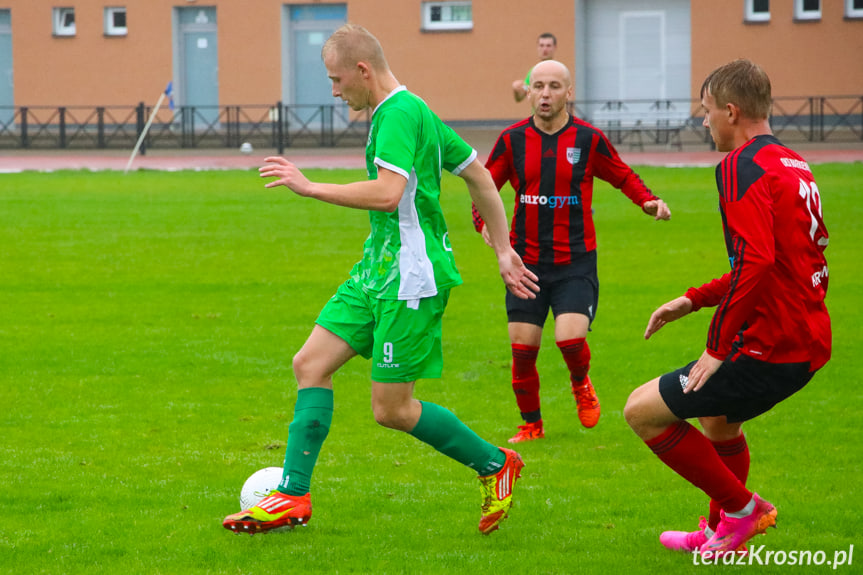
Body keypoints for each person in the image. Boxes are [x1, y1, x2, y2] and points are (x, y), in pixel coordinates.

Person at [222, 23, 539, 537]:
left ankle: (495, 464)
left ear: (362, 71)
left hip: (410, 280)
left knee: (391, 409)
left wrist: (310, 188)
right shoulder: (416, 109)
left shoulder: (398, 114)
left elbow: (389, 193)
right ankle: (293, 496)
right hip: (376, 270)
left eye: (336, 78)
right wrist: (502, 249)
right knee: (310, 363)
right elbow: (478, 175)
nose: (333, 90)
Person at [623, 59, 831, 558]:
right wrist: (693, 300)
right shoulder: (790, 161)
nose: (704, 121)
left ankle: (742, 512)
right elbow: (770, 260)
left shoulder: (740, 166)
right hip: (806, 338)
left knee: (642, 412)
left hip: (770, 343)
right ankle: (721, 528)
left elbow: (757, 261)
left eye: (707, 111)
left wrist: (716, 348)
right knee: (717, 422)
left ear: (731, 112)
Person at [473, 60, 671, 444]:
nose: (545, 94)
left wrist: (647, 201)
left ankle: (581, 382)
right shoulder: (512, 140)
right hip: (525, 261)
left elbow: (621, 174)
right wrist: (482, 222)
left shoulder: (588, 140)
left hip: (574, 260)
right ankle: (531, 425)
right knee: (522, 346)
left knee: (569, 338)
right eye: (539, 86)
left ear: (569, 93)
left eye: (554, 86)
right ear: (528, 91)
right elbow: (484, 187)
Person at [511, 33, 557, 103]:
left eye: (548, 46)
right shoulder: (533, 71)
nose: (545, 49)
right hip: (537, 113)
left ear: (554, 47)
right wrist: (517, 89)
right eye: (541, 45)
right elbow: (520, 97)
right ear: (538, 48)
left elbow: (567, 97)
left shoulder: (560, 70)